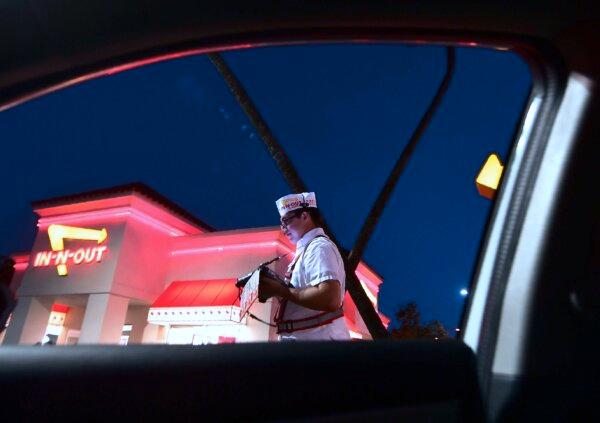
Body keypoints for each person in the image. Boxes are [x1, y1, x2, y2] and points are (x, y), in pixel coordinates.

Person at [260, 192, 350, 341]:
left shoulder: (318, 247)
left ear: (305, 216)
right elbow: (302, 303)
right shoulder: (309, 249)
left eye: (286, 221)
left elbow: (330, 298)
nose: (283, 228)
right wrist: (275, 290)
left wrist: (280, 289)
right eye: (281, 224)